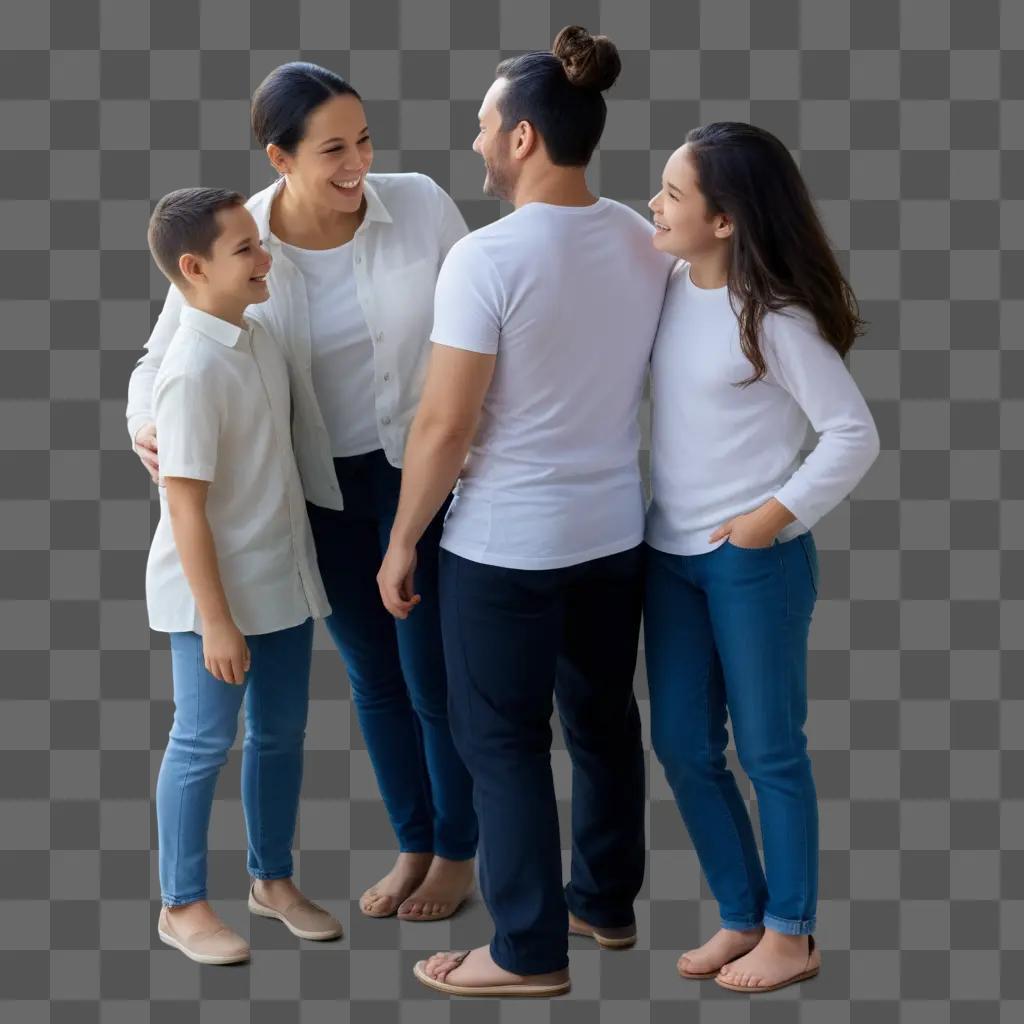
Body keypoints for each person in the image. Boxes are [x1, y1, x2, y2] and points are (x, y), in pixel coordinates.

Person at [126, 62, 478, 922]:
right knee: (374, 682)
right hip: (318, 491)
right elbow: (158, 357)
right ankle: (414, 842)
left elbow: (485, 315)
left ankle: (458, 856)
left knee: (434, 675)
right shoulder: (238, 237)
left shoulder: (422, 204)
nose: (358, 161)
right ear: (280, 158)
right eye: (333, 149)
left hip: (429, 477)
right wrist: (150, 425)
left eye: (363, 139)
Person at [377, 26, 675, 998]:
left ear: (521, 140)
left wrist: (403, 537)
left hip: (506, 545)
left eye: (481, 127)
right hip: (613, 533)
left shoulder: (487, 258)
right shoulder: (642, 234)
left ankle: (525, 950)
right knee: (601, 724)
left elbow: (443, 425)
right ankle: (603, 904)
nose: (472, 145)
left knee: (499, 742)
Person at [643, 122, 881, 992]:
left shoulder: (771, 317)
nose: (655, 204)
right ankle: (742, 916)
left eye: (672, 193)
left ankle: (794, 932)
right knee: (680, 743)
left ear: (726, 220)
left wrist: (766, 519)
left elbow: (854, 433)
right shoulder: (667, 283)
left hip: (753, 563)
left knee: (771, 751)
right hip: (667, 558)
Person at [144, 187, 343, 964]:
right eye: (246, 251)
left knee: (281, 735)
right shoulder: (191, 371)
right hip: (212, 601)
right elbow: (185, 511)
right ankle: (182, 903)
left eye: (261, 244)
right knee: (200, 743)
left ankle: (272, 881)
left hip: (280, 584)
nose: (267, 259)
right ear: (193, 269)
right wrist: (215, 621)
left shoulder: (255, 336)